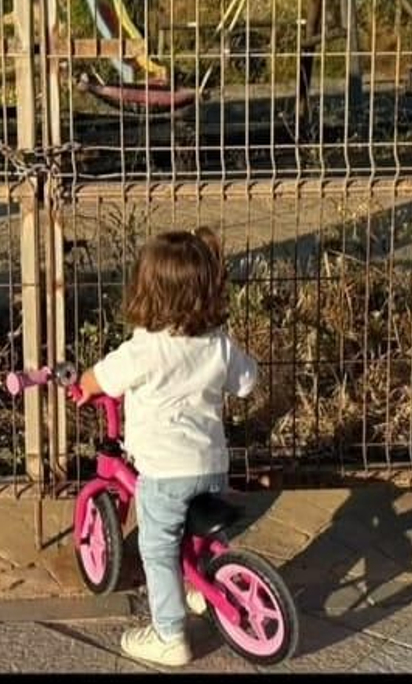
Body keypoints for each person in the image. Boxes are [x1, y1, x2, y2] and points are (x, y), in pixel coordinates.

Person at [75, 227, 259, 667]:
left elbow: (100, 379)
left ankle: (169, 634)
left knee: (157, 548)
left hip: (163, 472)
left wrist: (82, 386)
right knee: (200, 532)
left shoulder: (144, 349)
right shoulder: (218, 343)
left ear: (146, 290)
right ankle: (201, 588)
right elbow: (249, 383)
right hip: (211, 465)